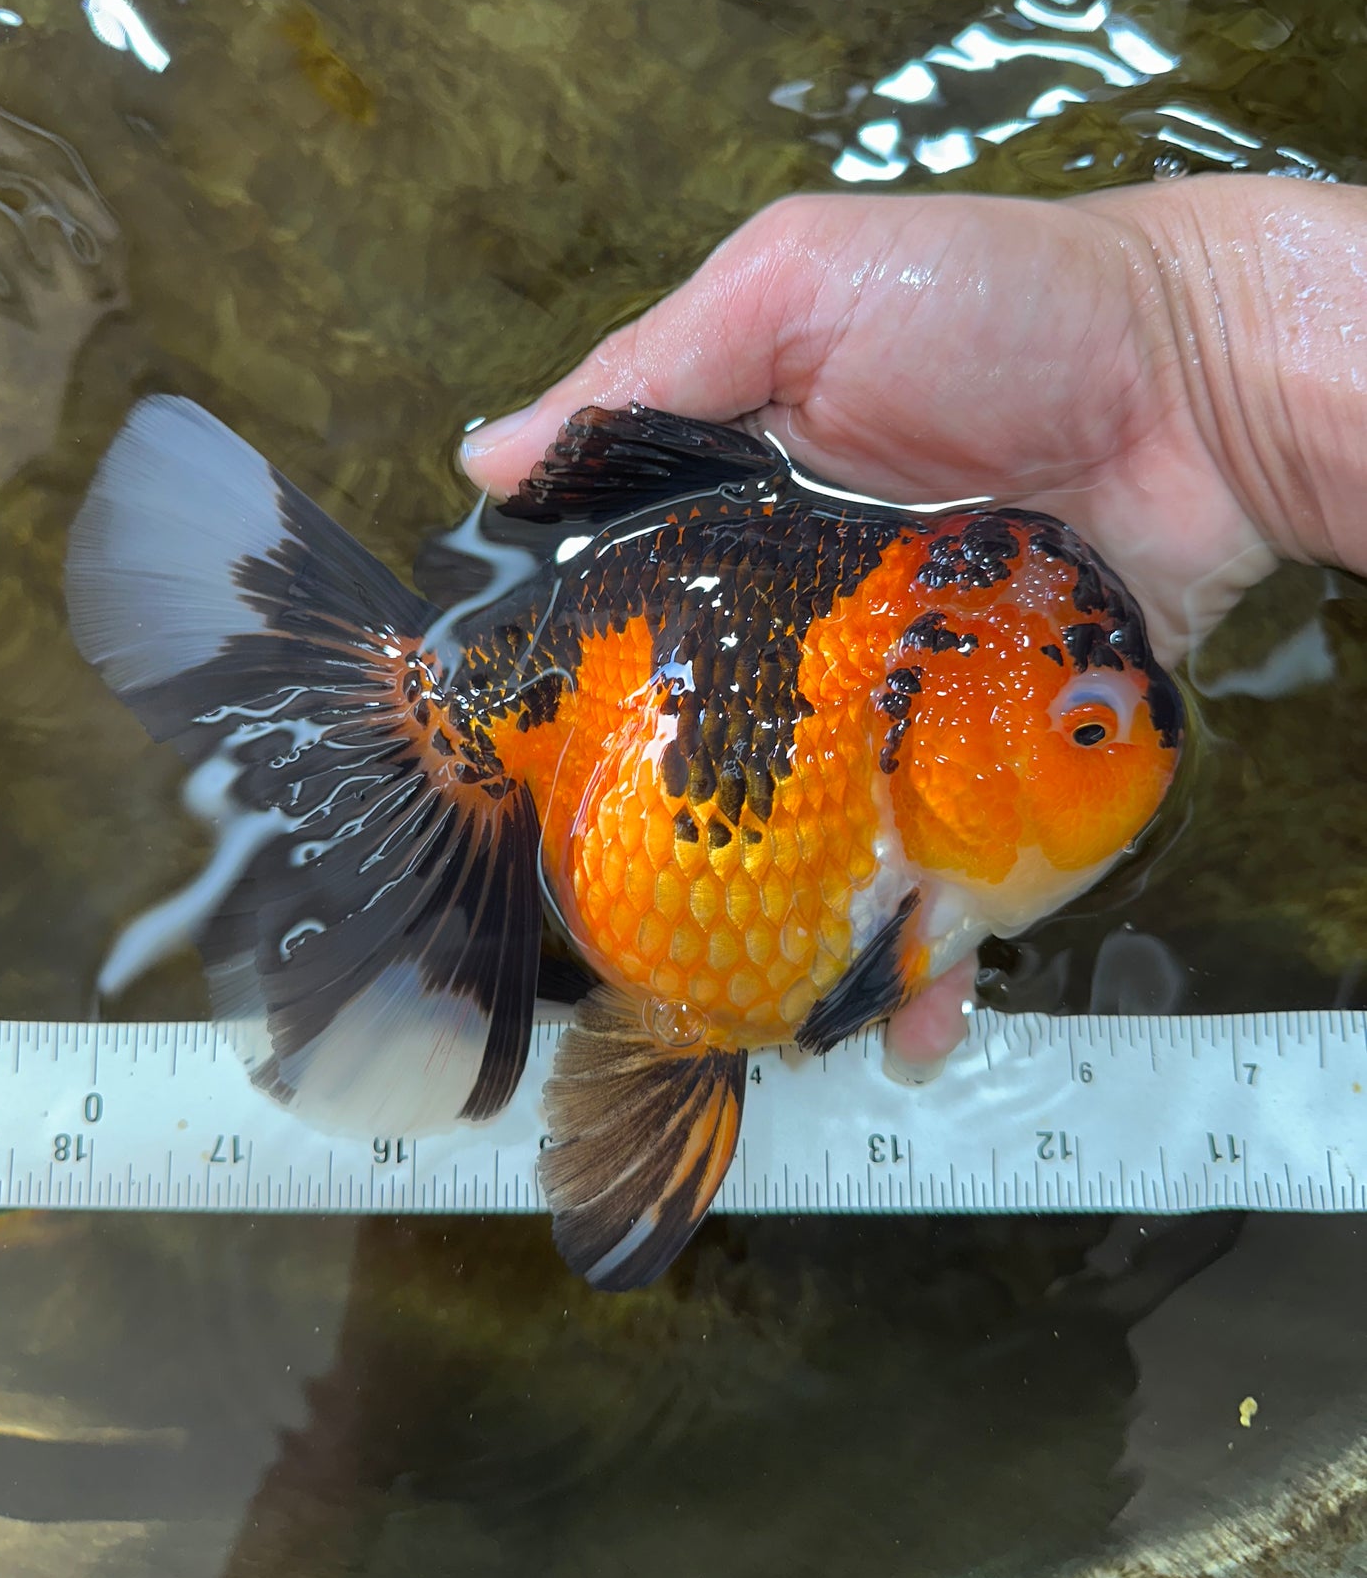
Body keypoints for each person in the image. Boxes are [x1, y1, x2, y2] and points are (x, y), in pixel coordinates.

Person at [460, 174, 1367, 1076]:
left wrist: (1189, 331)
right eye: (1086, 728)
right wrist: (1192, 337)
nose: (1145, 742)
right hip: (580, 689)